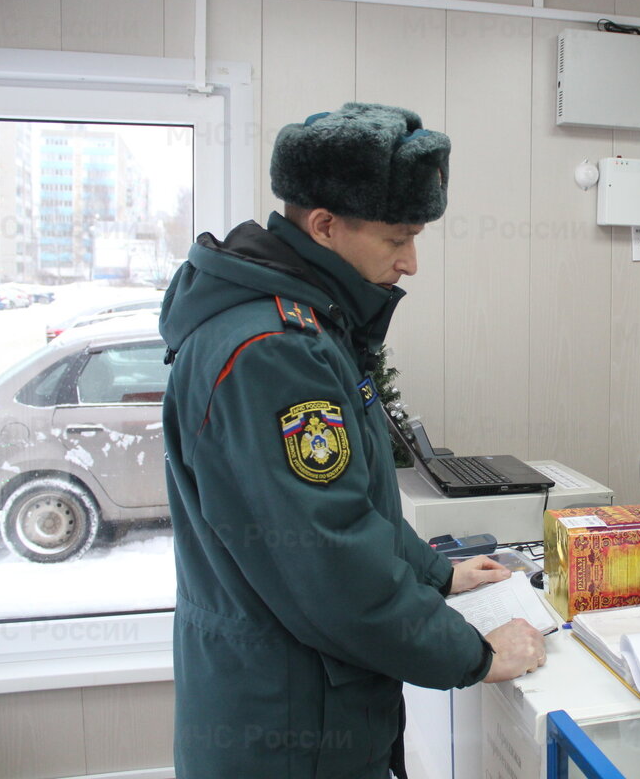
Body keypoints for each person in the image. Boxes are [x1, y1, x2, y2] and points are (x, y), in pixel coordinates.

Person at [159, 102, 546, 779]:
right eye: (397, 239)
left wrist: (436, 573)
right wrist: (478, 654)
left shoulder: (306, 323)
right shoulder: (273, 353)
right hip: (292, 728)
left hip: (301, 705)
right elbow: (329, 564)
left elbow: (350, 508)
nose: (413, 262)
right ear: (324, 226)